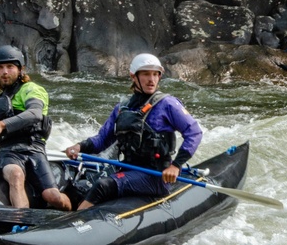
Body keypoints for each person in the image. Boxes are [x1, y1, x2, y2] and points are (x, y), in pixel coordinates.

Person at [64, 53, 202, 210]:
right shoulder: (123, 108)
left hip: (156, 176)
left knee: (103, 185)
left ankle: (77, 219)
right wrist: (78, 147)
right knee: (83, 186)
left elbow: (194, 133)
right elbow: (102, 140)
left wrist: (176, 165)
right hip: (129, 169)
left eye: (155, 74)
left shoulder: (167, 104)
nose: (152, 79)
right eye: (146, 74)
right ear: (133, 76)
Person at [0, 45, 71, 211]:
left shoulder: (31, 89)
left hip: (35, 149)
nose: (5, 72)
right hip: (8, 153)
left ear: (20, 69)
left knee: (52, 197)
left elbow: (34, 114)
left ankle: (73, 212)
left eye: (10, 67)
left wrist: (2, 124)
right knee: (16, 174)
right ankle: (21, 222)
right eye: (0, 67)